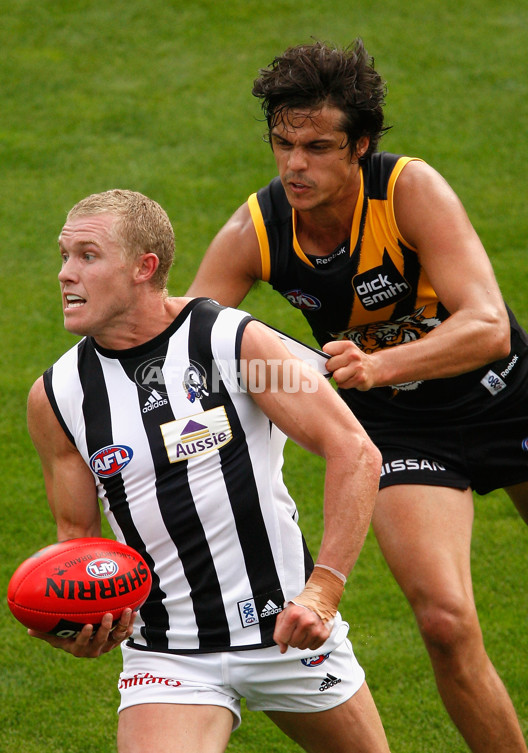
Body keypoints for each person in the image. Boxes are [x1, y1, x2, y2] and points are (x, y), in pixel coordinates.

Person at [186, 39, 528, 752]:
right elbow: (193, 344)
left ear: (360, 145)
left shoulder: (409, 189)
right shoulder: (258, 228)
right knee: (443, 620)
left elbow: (489, 326)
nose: (293, 165)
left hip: (504, 396)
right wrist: (286, 376)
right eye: (282, 143)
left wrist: (379, 364)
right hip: (405, 433)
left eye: (316, 146)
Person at [25, 188, 391, 753]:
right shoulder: (57, 396)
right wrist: (76, 620)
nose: (65, 274)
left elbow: (355, 451)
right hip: (167, 654)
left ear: (144, 269)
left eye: (87, 256)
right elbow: (76, 540)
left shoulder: (231, 341)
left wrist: (323, 591)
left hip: (286, 633)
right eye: (64, 254)